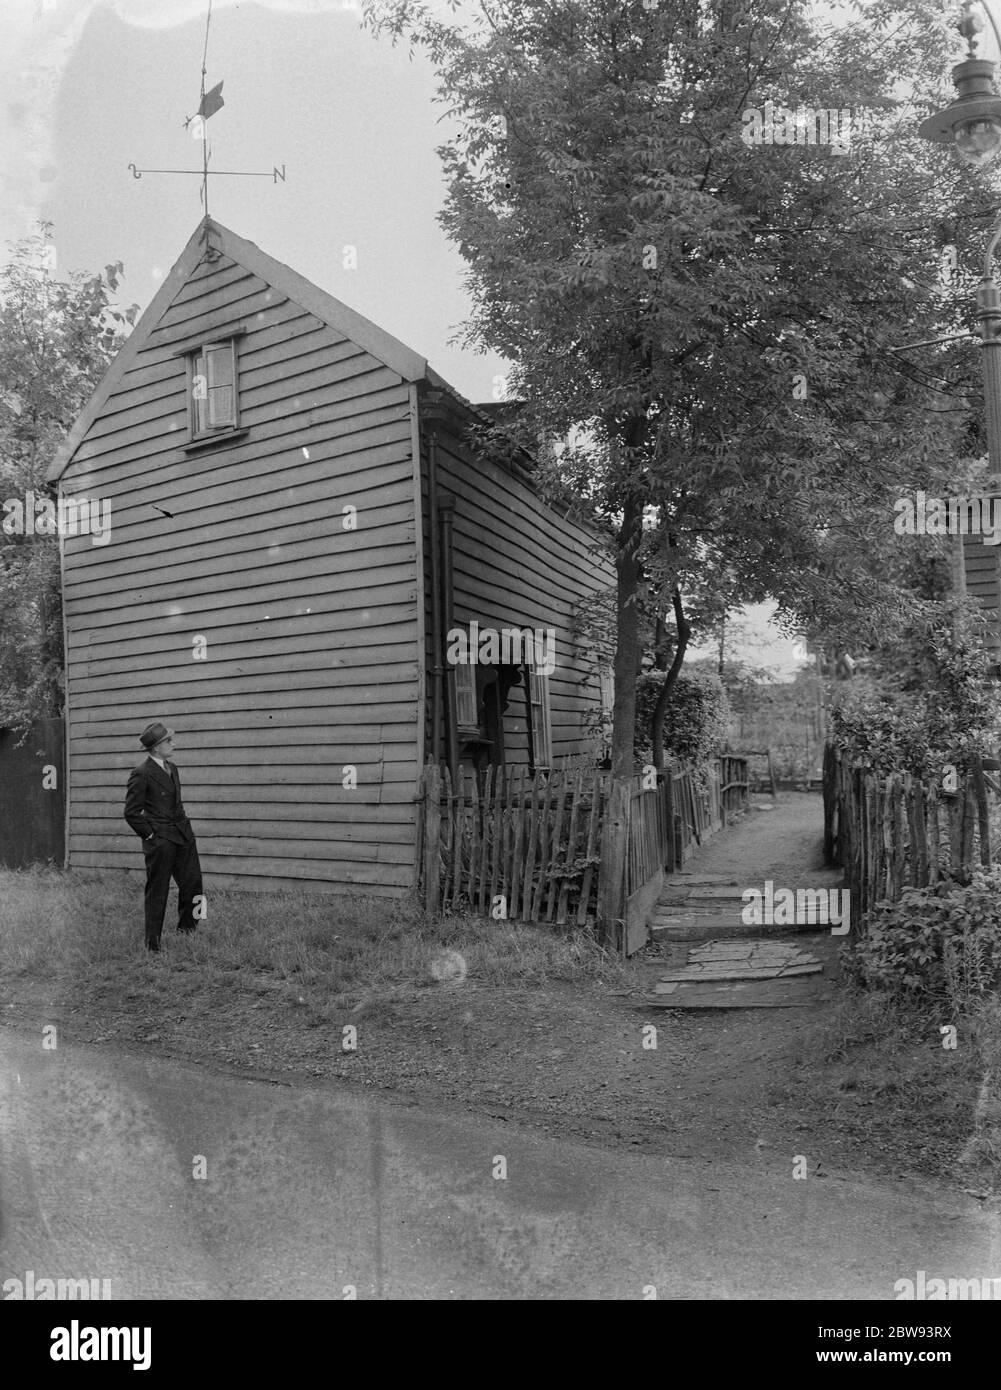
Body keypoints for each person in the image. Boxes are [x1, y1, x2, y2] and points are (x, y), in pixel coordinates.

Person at [123, 722, 203, 953]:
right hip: (161, 840)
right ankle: (153, 943)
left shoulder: (173, 768)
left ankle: (191, 929)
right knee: (158, 890)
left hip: (184, 835)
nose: (173, 744)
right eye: (168, 741)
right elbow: (131, 813)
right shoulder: (141, 773)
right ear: (156, 747)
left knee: (195, 884)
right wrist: (150, 835)